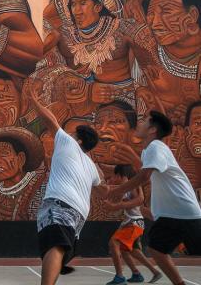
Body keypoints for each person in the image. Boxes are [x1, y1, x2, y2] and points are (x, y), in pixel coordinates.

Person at [109, 111, 201, 285]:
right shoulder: (149, 150)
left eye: (144, 121)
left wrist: (117, 190)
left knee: (157, 249)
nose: (140, 123)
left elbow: (144, 176)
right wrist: (132, 155)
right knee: (157, 249)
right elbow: (148, 174)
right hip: (174, 214)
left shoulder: (156, 147)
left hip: (182, 212)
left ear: (152, 130)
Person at [28, 87, 108, 285]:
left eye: (72, 133)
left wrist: (34, 100)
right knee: (58, 247)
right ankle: (60, 264)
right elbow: (103, 191)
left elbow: (50, 120)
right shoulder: (91, 167)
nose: (67, 134)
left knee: (55, 246)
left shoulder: (67, 143)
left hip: (60, 204)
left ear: (78, 139)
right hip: (79, 214)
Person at [104, 164, 162, 284]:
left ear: (121, 175)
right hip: (131, 222)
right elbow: (118, 209)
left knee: (113, 243)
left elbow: (139, 200)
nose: (113, 178)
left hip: (134, 223)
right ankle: (141, 273)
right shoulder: (125, 188)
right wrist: (113, 204)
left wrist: (116, 205)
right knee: (128, 251)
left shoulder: (132, 185)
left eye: (114, 175)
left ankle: (119, 277)